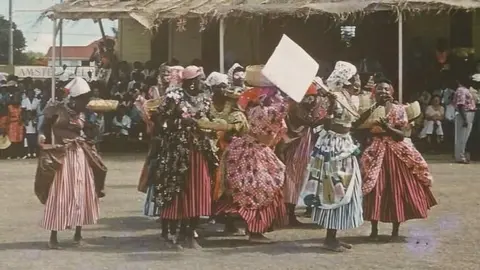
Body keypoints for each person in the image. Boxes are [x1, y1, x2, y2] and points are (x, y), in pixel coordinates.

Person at [215, 66, 289, 243]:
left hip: (251, 149)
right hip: (252, 151)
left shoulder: (254, 107)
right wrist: (291, 99)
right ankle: (254, 231)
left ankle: (238, 225)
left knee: (249, 187)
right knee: (259, 188)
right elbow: (280, 112)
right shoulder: (262, 111)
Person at [359, 77, 436, 242]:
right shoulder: (369, 108)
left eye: (386, 89)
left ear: (392, 91)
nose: (383, 92)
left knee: (397, 189)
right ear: (374, 92)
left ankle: (395, 230)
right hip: (376, 151)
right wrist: (374, 108)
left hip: (396, 152)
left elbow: (401, 135)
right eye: (379, 89)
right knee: (375, 189)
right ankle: (374, 230)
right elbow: (358, 126)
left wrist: (387, 128)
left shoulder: (399, 109)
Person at [148, 65, 217, 249]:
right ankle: (173, 231)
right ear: (189, 82)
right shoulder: (173, 97)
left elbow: (209, 117)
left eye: (201, 79)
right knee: (177, 190)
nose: (200, 83)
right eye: (196, 80)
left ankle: (190, 232)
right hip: (177, 151)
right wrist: (180, 122)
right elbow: (159, 121)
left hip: (199, 149)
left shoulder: (205, 98)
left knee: (198, 189)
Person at [35, 77, 107, 249]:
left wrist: (97, 122)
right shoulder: (56, 109)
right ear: (74, 98)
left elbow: (91, 132)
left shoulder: (84, 113)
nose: (86, 101)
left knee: (82, 191)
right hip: (62, 154)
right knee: (61, 193)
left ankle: (78, 234)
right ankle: (53, 237)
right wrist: (42, 135)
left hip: (80, 153)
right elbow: (44, 126)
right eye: (83, 98)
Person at [303, 61, 363, 252]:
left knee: (347, 187)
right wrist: (329, 108)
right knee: (334, 186)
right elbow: (321, 122)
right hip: (333, 146)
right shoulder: (334, 97)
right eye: (356, 77)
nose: (358, 80)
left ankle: (334, 234)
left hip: (346, 143)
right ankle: (329, 238)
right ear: (347, 80)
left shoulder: (350, 98)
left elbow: (356, 121)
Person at [202, 72, 249, 233]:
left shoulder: (232, 102)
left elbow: (240, 122)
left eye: (224, 86)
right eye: (219, 87)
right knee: (212, 181)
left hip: (231, 148)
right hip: (211, 146)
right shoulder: (207, 103)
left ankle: (230, 221)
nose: (222, 90)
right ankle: (214, 213)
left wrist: (229, 129)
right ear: (212, 88)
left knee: (229, 184)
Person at [277, 84, 327, 226]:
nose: (311, 100)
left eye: (313, 97)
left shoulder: (301, 105)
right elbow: (310, 122)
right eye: (309, 97)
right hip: (297, 142)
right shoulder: (295, 106)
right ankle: (290, 215)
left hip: (305, 141)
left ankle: (291, 213)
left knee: (300, 177)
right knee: (293, 177)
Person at [453, 76, 476, 163]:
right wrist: (465, 119)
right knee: (461, 137)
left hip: (469, 113)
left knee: (465, 137)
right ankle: (460, 157)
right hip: (465, 114)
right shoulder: (461, 90)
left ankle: (461, 155)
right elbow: (460, 105)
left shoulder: (466, 89)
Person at [22, 88, 40, 158]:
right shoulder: (24, 100)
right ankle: (28, 152)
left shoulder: (37, 101)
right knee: (27, 136)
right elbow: (23, 111)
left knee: (34, 135)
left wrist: (34, 119)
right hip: (27, 118)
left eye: (32, 93)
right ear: (27, 94)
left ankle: (35, 152)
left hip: (34, 118)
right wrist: (25, 119)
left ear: (34, 94)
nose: (30, 94)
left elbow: (37, 111)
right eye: (29, 93)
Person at [6, 91, 24, 159]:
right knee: (11, 140)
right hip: (11, 125)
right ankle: (11, 154)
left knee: (19, 140)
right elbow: (7, 116)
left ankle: (19, 154)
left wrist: (21, 119)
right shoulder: (9, 107)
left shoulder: (20, 106)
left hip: (19, 125)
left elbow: (22, 115)